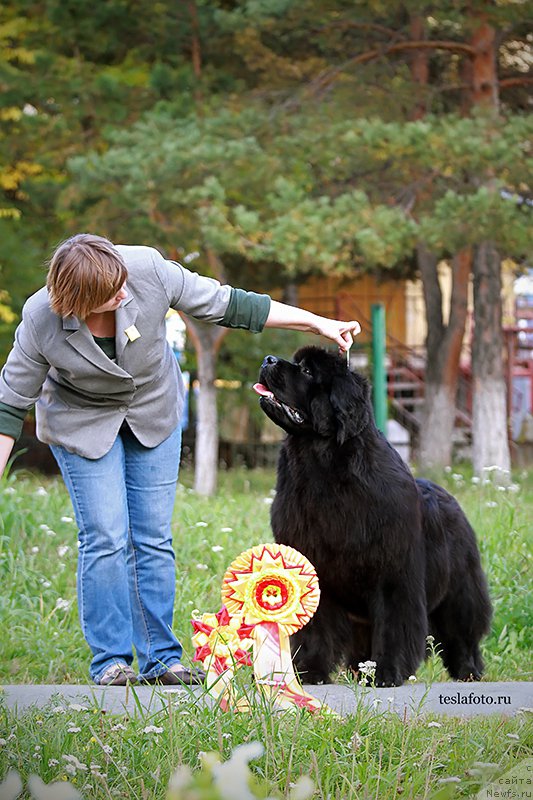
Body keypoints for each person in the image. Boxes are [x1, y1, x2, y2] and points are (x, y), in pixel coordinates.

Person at [0, 234, 361, 686]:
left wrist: (317, 324)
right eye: (113, 292)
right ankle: (111, 662)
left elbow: (233, 304)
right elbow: (10, 405)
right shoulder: (41, 320)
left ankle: (161, 659)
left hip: (151, 410)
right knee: (107, 536)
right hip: (81, 421)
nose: (125, 292)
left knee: (152, 535)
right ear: (81, 300)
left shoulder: (146, 271)